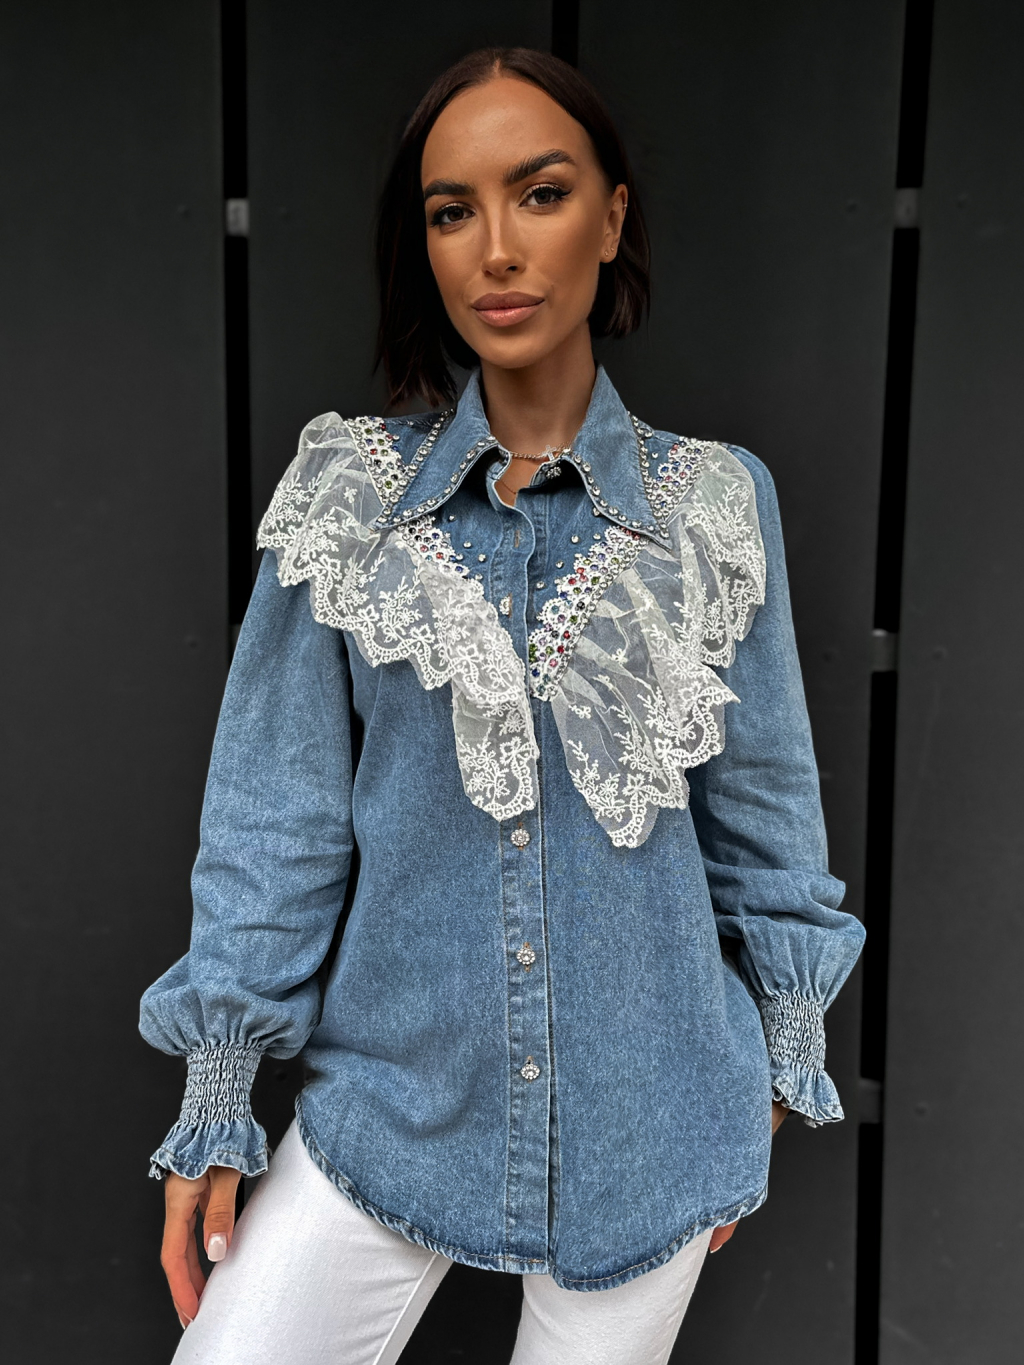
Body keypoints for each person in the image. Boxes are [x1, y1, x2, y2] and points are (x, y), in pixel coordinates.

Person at [140, 46, 865, 1365]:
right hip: (390, 1109)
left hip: (655, 1125)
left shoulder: (715, 504)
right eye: (450, 210)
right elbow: (275, 824)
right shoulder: (347, 504)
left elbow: (766, 816)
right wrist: (219, 1093)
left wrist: (766, 1070)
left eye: (540, 193)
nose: (495, 249)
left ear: (612, 216)